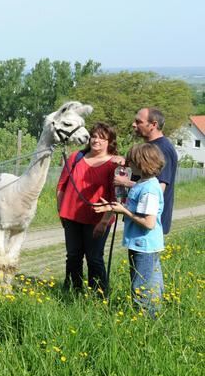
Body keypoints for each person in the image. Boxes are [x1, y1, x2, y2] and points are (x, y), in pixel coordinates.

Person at [94, 143, 166, 318]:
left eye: (131, 160)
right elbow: (135, 207)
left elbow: (148, 223)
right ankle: (154, 316)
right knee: (152, 283)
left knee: (140, 285)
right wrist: (114, 206)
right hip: (143, 243)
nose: (127, 163)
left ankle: (145, 320)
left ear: (141, 163)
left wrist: (123, 211)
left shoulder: (149, 190)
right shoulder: (142, 183)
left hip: (144, 245)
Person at [56, 122, 121, 295]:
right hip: (71, 217)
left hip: (98, 220)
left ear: (110, 142)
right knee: (73, 256)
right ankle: (72, 291)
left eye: (102, 138)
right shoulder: (75, 157)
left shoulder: (115, 164)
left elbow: (116, 197)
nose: (96, 140)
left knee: (94, 258)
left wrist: (105, 221)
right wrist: (60, 211)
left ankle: (99, 295)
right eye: (94, 136)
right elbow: (61, 186)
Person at [114, 108, 178, 234]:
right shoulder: (151, 147)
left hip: (150, 222)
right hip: (140, 218)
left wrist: (125, 183)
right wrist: (127, 162)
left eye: (138, 122)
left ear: (153, 125)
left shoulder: (161, 149)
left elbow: (158, 188)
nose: (134, 124)